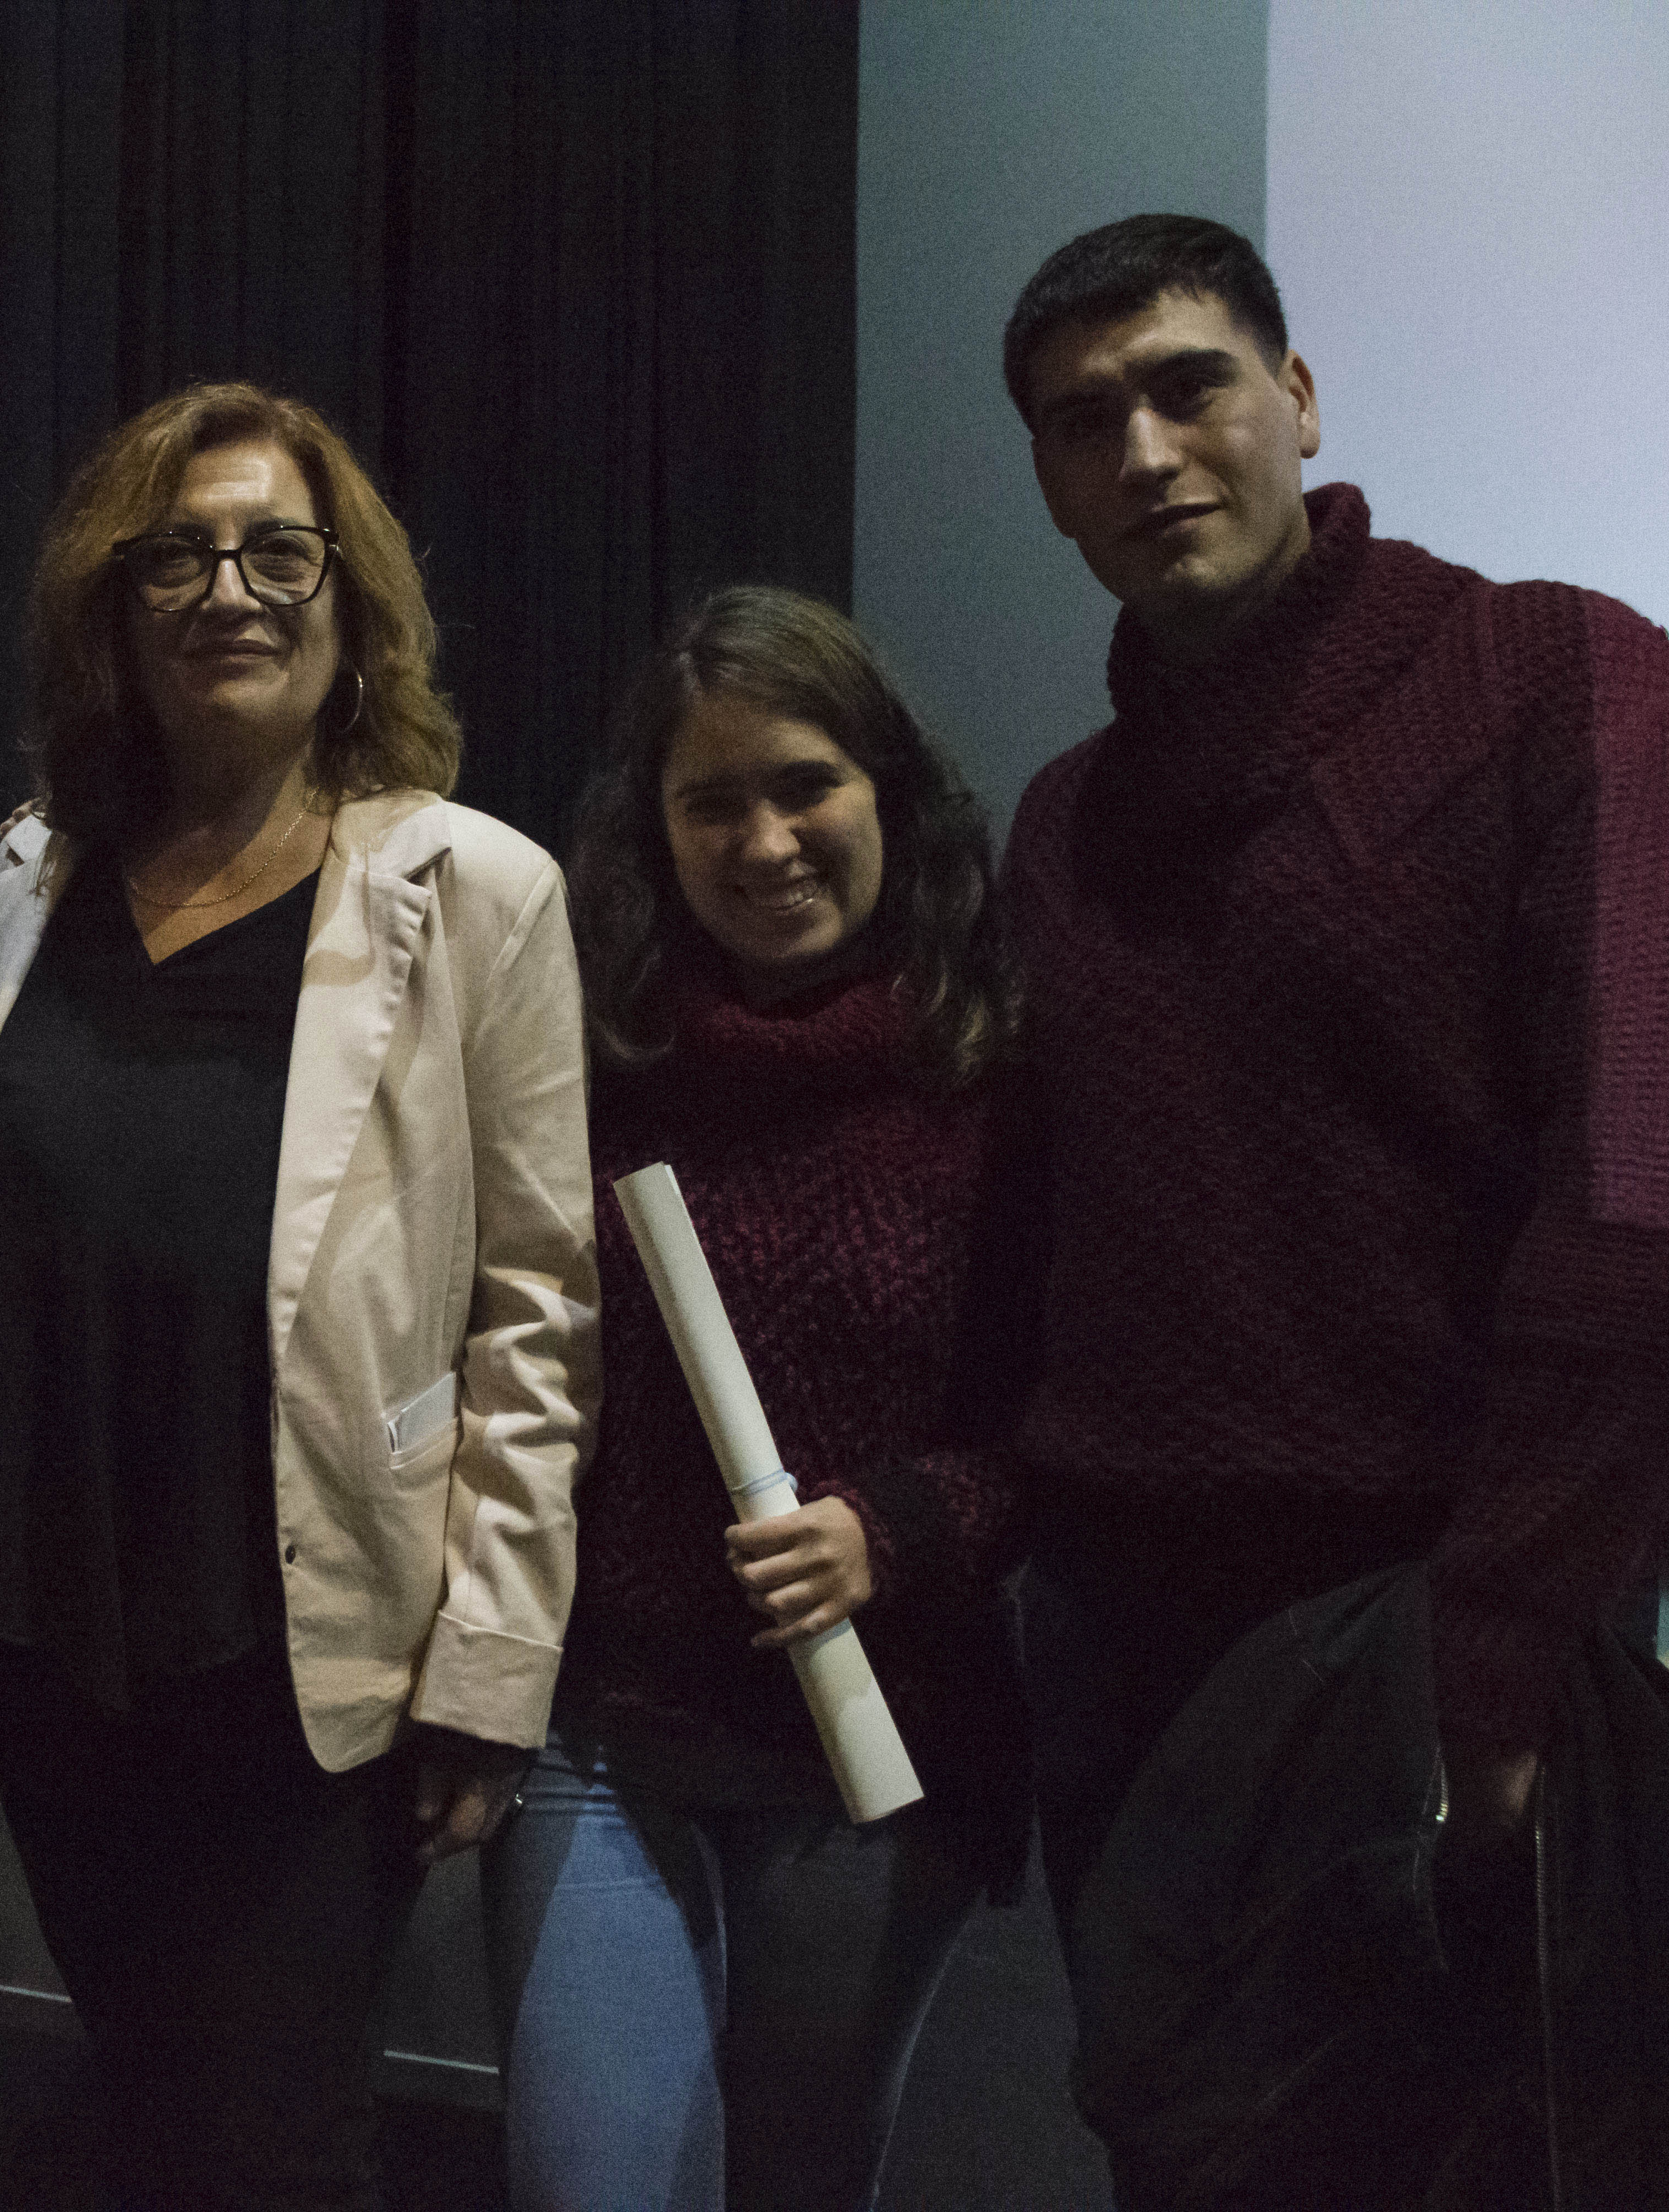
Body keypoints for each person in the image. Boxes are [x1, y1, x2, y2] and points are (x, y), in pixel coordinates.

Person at [999, 216, 1669, 2189]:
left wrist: (1496, 1656)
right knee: (1181, 2154)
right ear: (1049, 484)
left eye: (1191, 385)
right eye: (1084, 421)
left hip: (1424, 1627)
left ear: (1299, 397)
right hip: (1133, 1651)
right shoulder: (1067, 821)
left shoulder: (1555, 676)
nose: (1150, 451)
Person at [0, 380, 595, 2210]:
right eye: (178, 558)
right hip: (52, 1644)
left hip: (314, 1653)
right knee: (150, 2107)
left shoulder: (471, 890)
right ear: (113, 611)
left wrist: (490, 1663)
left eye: (279, 551)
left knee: (274, 2147)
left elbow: (538, 1307)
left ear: (349, 599)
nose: (231, 589)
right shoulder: (20, 880)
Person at [485, 588, 1032, 2212]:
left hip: (871, 1745)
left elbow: (1068, 1424)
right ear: (652, 829)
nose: (765, 838)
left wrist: (901, 1527)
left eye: (805, 784)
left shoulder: (994, 1075)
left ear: (887, 793)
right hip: (605, 1732)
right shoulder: (582, 1058)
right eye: (711, 799)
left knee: (803, 2182)